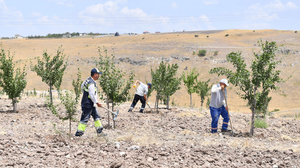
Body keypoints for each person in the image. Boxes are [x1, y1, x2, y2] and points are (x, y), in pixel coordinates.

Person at [75, 68, 105, 136]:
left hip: (89, 103)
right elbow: (91, 94)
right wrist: (97, 102)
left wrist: (85, 95)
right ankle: (79, 133)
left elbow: (82, 87)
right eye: (98, 74)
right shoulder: (91, 83)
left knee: (96, 115)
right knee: (85, 118)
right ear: (94, 74)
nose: (98, 76)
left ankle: (99, 131)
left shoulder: (87, 80)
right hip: (88, 104)